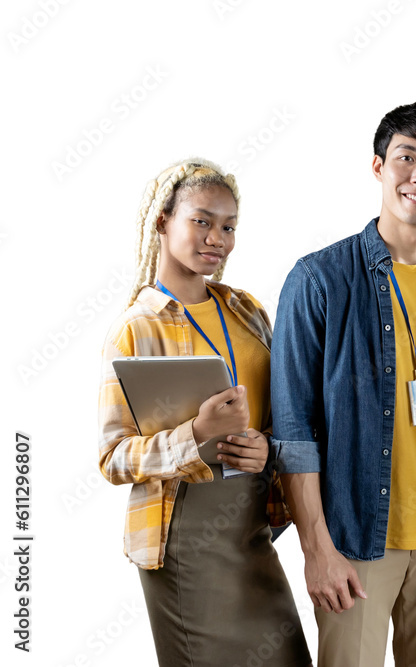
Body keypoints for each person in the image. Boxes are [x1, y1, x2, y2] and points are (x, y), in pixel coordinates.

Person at [270, 102, 416, 667]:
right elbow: (294, 430)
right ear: (378, 167)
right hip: (354, 541)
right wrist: (316, 550)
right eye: (407, 158)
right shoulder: (318, 279)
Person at [97, 158, 311, 666]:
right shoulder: (137, 327)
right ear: (162, 221)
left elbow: (285, 411)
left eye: (229, 226)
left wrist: (267, 444)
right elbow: (113, 458)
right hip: (184, 534)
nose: (217, 237)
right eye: (202, 220)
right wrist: (196, 433)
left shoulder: (246, 309)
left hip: (254, 525)